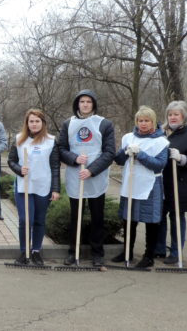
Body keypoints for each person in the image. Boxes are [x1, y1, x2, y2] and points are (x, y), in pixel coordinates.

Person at [58, 89, 115, 267]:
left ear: (93, 105)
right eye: (82, 101)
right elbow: (61, 149)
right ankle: (72, 252)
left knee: (97, 217)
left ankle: (97, 253)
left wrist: (91, 170)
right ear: (77, 104)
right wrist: (74, 159)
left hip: (96, 177)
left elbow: (109, 152)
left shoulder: (105, 124)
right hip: (76, 176)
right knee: (76, 217)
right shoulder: (68, 124)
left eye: (88, 102)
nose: (85, 104)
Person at [112, 106, 169, 268]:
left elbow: (159, 165)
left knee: (151, 220)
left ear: (153, 122)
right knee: (129, 219)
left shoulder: (161, 141)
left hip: (150, 184)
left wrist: (140, 155)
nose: (143, 124)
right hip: (131, 182)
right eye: (140, 120)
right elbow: (119, 160)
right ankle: (127, 251)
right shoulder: (128, 137)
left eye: (147, 121)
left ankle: (148, 255)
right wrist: (125, 152)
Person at [7, 109, 60, 265]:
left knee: (39, 220)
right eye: (31, 121)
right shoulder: (19, 139)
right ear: (27, 123)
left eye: (37, 121)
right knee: (25, 220)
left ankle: (36, 251)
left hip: (43, 186)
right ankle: (24, 252)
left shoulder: (51, 141)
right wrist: (19, 169)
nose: (34, 124)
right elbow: (11, 161)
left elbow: (55, 166)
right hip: (24, 187)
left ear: (43, 123)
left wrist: (56, 189)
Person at [155, 101, 187, 264]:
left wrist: (181, 158)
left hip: (180, 183)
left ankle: (175, 252)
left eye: (176, 114)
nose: (173, 117)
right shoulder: (161, 133)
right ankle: (159, 248)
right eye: (170, 114)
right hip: (162, 182)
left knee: (176, 217)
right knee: (159, 216)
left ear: (183, 116)